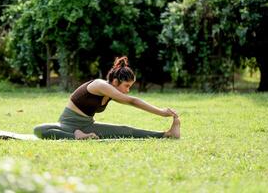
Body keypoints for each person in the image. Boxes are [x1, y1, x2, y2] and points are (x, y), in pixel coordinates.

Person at [33, 56, 181, 140]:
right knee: (39, 130)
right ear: (115, 82)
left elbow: (133, 103)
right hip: (67, 125)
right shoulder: (99, 84)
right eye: (127, 86)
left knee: (125, 130)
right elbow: (132, 101)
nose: (128, 90)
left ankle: (166, 134)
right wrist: (161, 112)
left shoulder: (111, 93)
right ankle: (76, 136)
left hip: (88, 126)